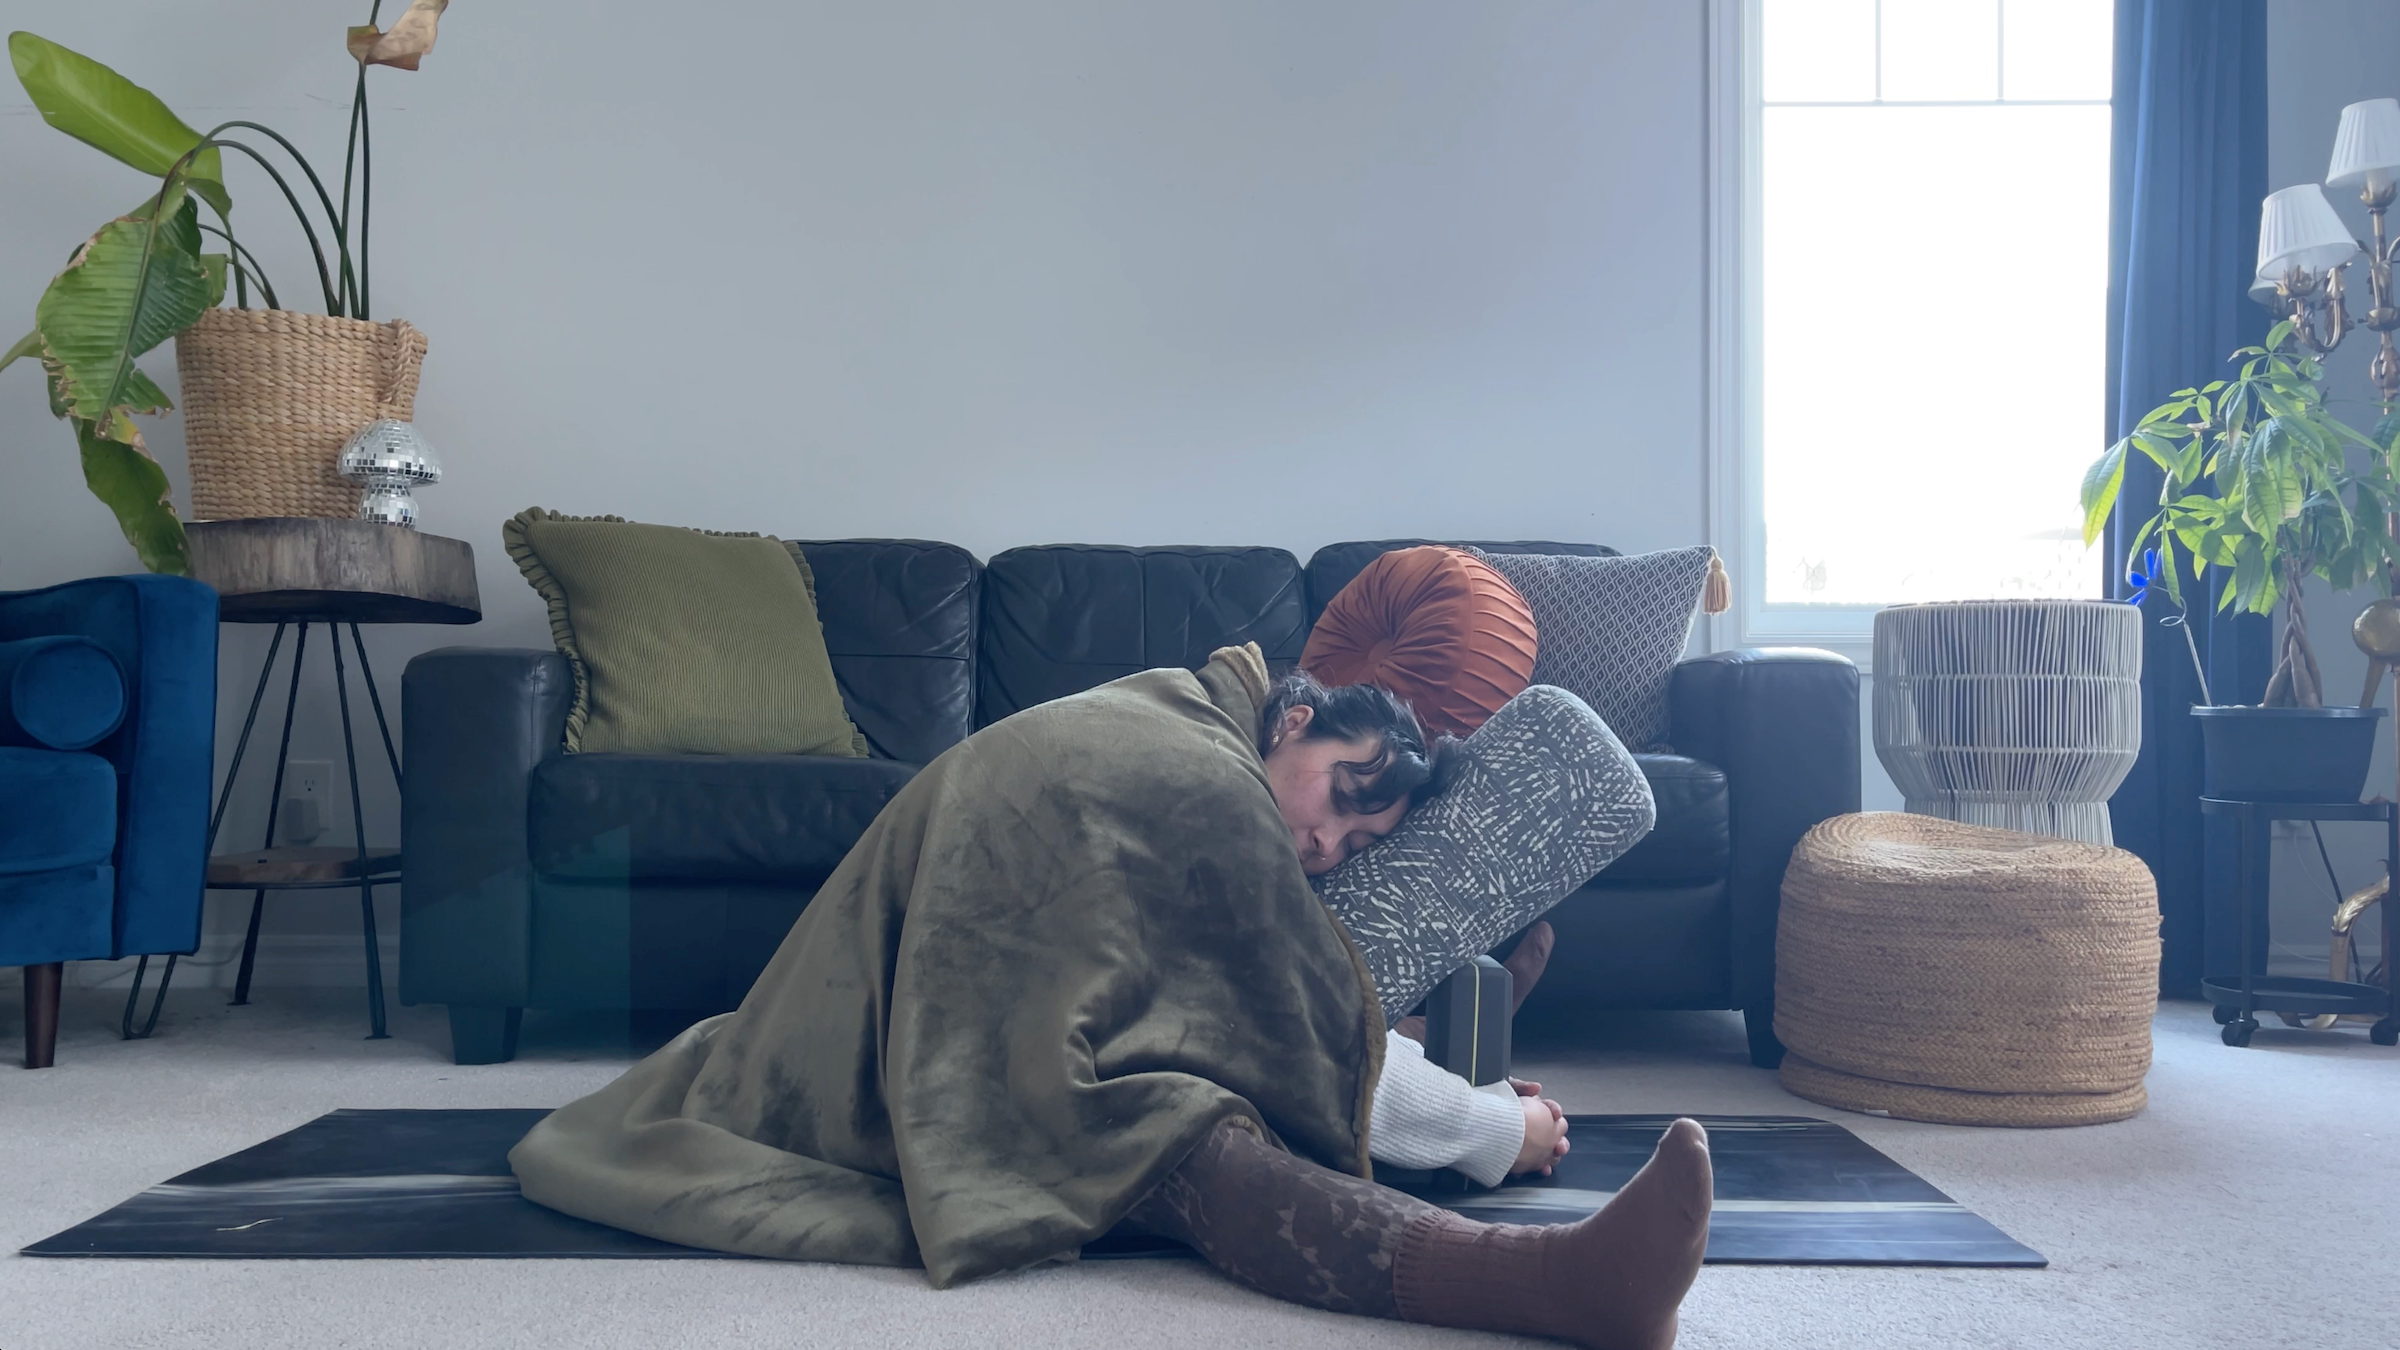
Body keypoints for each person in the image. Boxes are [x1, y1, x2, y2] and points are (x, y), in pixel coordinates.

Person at [511, 645, 1710, 1350]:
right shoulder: (1198, 778)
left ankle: (1484, 1145)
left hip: (973, 1005)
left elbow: (1242, 1001)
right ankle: (1547, 1288)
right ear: (1293, 721)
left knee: (1225, 1079)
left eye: (1358, 841)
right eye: (1341, 797)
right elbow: (1282, 1025)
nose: (1329, 844)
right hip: (890, 1059)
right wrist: (1501, 1131)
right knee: (1176, 1131)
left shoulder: (1185, 727)